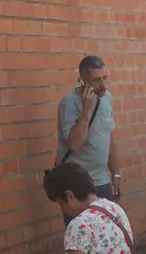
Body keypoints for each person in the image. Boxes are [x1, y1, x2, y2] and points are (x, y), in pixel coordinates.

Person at [57, 55, 121, 224]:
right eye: (96, 80)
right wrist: (86, 110)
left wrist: (115, 173)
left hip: (101, 180)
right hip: (77, 185)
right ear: (83, 81)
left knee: (107, 231)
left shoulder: (107, 99)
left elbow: (109, 137)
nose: (103, 86)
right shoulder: (70, 103)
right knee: (82, 236)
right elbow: (75, 144)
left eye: (105, 78)